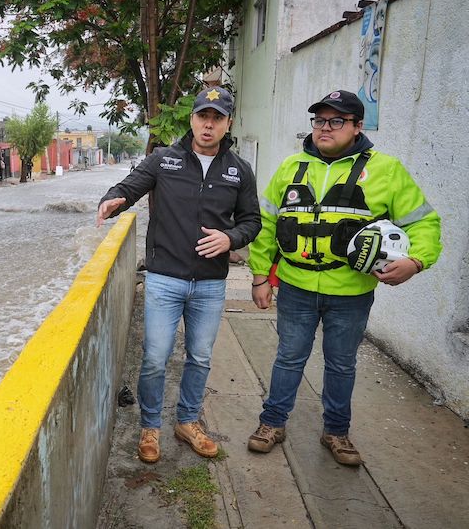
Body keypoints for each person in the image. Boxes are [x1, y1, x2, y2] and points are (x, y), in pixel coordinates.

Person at [247, 90, 442, 465]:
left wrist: (416, 261)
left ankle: (336, 432)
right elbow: (268, 223)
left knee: (341, 364)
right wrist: (260, 277)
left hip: (351, 293)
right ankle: (272, 422)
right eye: (319, 120)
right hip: (295, 287)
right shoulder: (291, 167)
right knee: (288, 358)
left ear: (357, 126)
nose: (325, 127)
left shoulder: (386, 170)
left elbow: (424, 222)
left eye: (336, 121)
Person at [97, 86, 261, 463]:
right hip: (164, 279)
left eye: (216, 118)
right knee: (155, 356)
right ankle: (150, 427)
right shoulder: (163, 160)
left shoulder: (239, 170)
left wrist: (230, 237)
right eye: (203, 116)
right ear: (192, 119)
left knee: (200, 357)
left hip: (209, 283)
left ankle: (187, 421)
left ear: (227, 123)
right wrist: (112, 199)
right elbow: (129, 187)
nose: (208, 124)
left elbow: (252, 221)